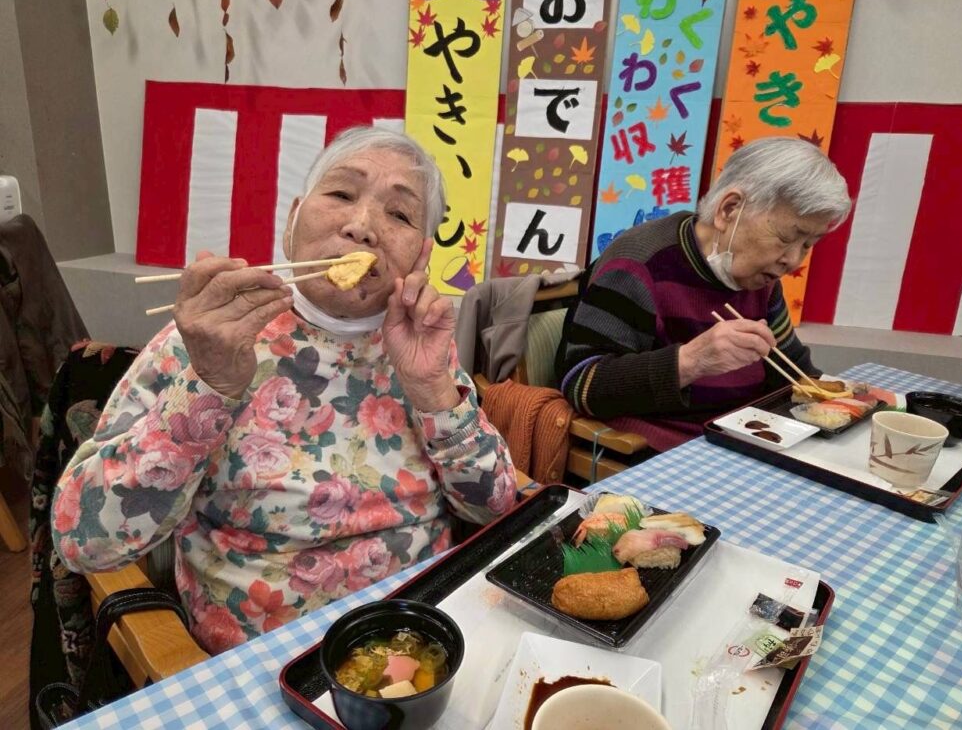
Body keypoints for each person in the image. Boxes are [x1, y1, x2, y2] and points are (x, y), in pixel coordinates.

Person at [51, 127, 518, 654]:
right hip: (266, 657)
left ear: (421, 256)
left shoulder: (419, 341)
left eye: (400, 215)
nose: (362, 226)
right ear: (293, 219)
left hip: (425, 633)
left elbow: (495, 509)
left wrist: (433, 389)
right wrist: (209, 386)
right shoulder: (210, 340)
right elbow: (81, 540)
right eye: (341, 193)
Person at [556, 137, 852, 450]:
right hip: (659, 453)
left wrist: (842, 401)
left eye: (807, 245)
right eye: (786, 237)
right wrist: (690, 361)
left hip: (743, 437)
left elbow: (792, 369)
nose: (793, 261)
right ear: (729, 209)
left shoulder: (759, 280)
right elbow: (582, 385)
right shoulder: (639, 263)